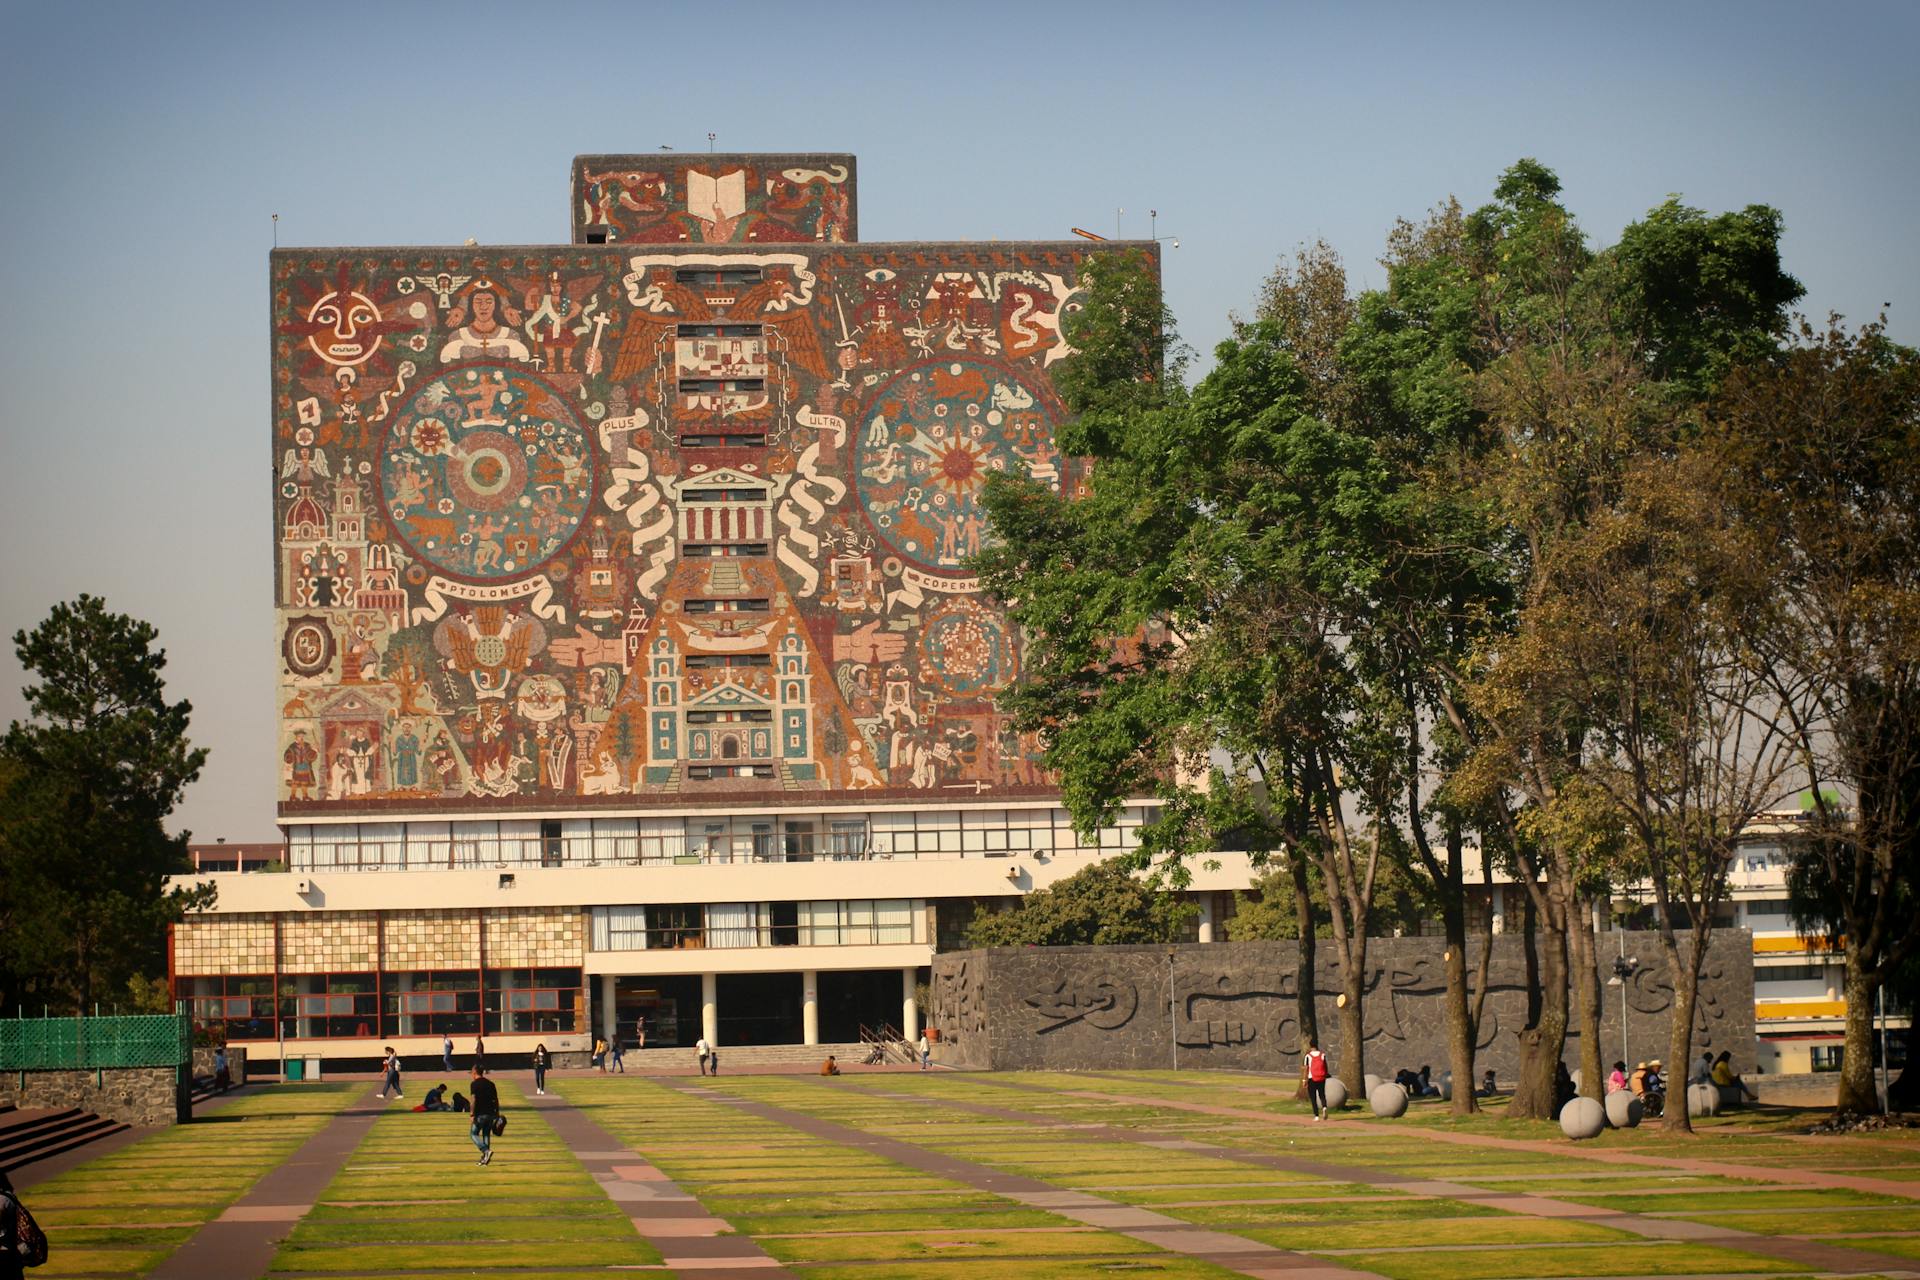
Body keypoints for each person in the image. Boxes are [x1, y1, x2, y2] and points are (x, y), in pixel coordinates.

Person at [469, 1066, 501, 1166]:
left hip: (480, 1114)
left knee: (473, 1134)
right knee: (486, 1134)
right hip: (491, 1113)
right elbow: (496, 1099)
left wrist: (472, 1113)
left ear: (474, 1072)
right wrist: (497, 1113)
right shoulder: (491, 1084)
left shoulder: (474, 1084)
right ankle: (485, 1159)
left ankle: (485, 1151)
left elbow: (474, 1100)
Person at [1303, 1038, 1330, 1120]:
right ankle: (1324, 1107)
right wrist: (1325, 1075)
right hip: (1321, 1078)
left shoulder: (1308, 1056)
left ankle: (1316, 1115)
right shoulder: (1322, 1055)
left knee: (1313, 1097)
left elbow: (1306, 1069)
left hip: (1312, 1078)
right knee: (1322, 1095)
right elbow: (1325, 1066)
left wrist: (1304, 1080)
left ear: (1310, 1045)